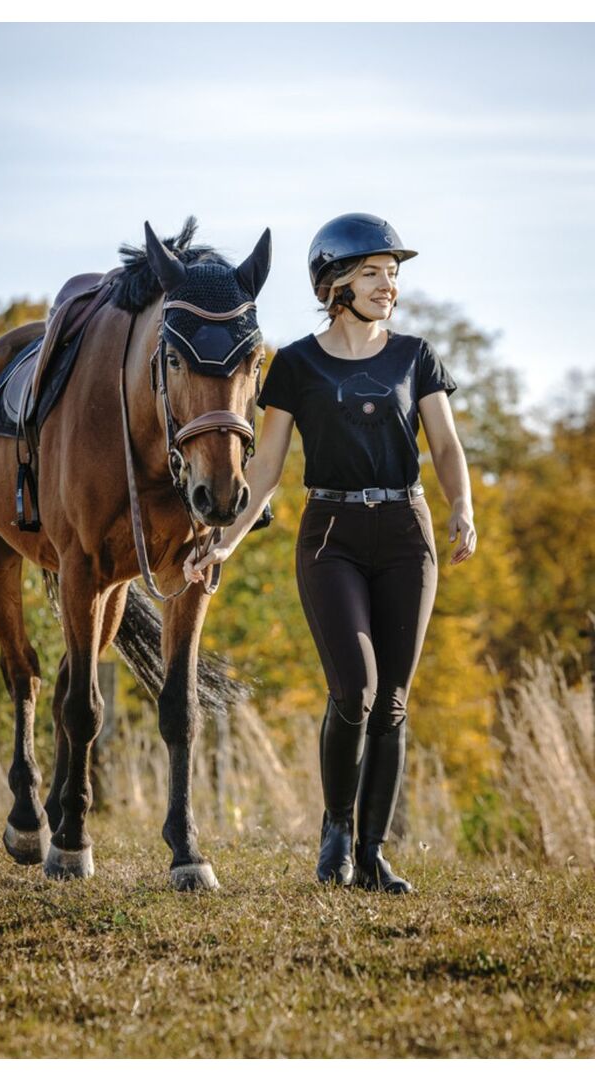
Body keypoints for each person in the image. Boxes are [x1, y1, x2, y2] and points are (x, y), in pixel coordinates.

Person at [184, 212, 476, 893]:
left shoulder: (416, 356)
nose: (388, 285)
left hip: (407, 532)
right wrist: (223, 542)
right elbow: (267, 473)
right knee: (355, 690)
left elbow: (447, 446)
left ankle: (373, 855)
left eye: (393, 274)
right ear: (334, 283)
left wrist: (461, 506)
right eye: (373, 273)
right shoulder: (296, 366)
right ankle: (337, 834)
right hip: (330, 537)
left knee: (394, 701)